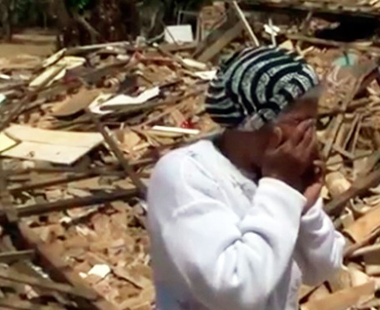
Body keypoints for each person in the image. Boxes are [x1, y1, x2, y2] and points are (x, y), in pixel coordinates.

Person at [147, 46, 345, 310]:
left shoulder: (277, 174)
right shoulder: (186, 174)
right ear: (253, 123)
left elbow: (324, 269)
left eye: (313, 123)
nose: (309, 136)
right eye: (298, 122)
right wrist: (280, 187)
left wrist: (307, 210)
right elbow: (235, 289)